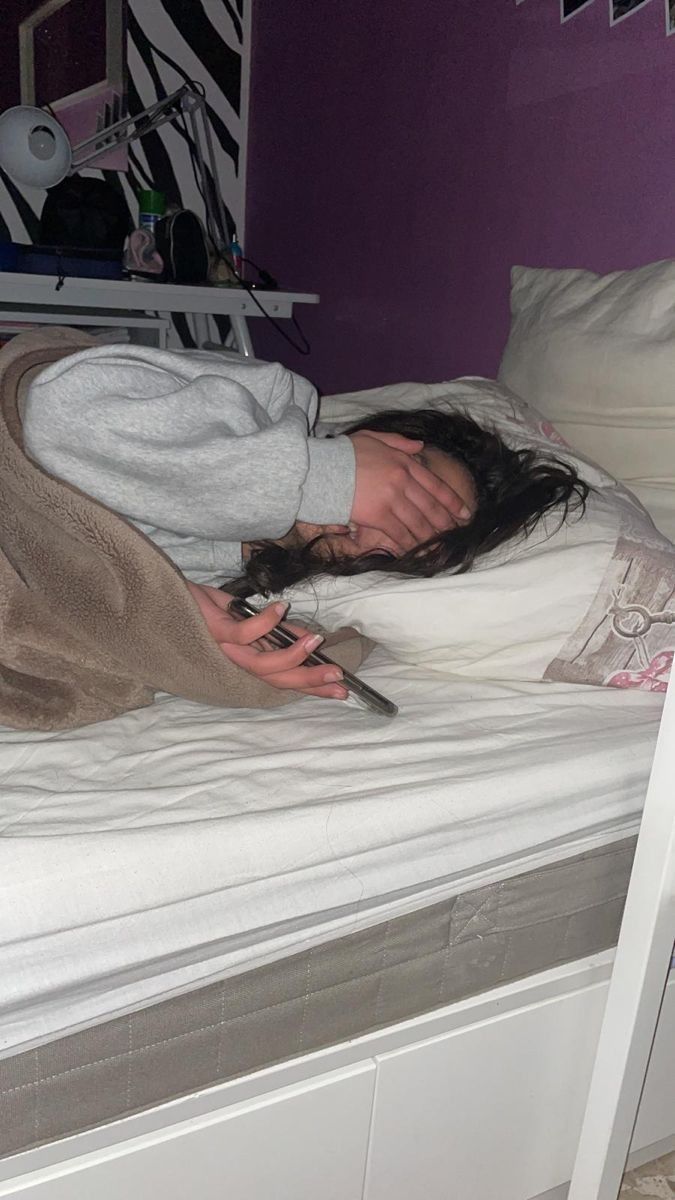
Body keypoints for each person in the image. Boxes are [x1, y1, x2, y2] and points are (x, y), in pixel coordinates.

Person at [23, 345, 588, 703]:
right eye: (406, 488)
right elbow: (57, 406)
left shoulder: (263, 595)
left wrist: (177, 621)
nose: (376, 523)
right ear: (383, 444)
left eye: (413, 538)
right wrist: (322, 474)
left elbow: (62, 611)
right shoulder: (268, 398)